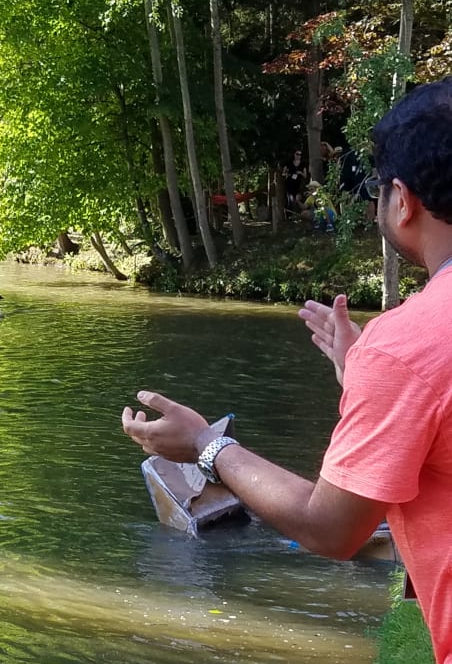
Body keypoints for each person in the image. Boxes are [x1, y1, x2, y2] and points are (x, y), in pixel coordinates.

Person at [121, 77, 452, 662]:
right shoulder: (403, 361)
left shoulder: (408, 346)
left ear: (403, 200)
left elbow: (331, 530)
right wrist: (373, 384)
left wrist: (204, 444)